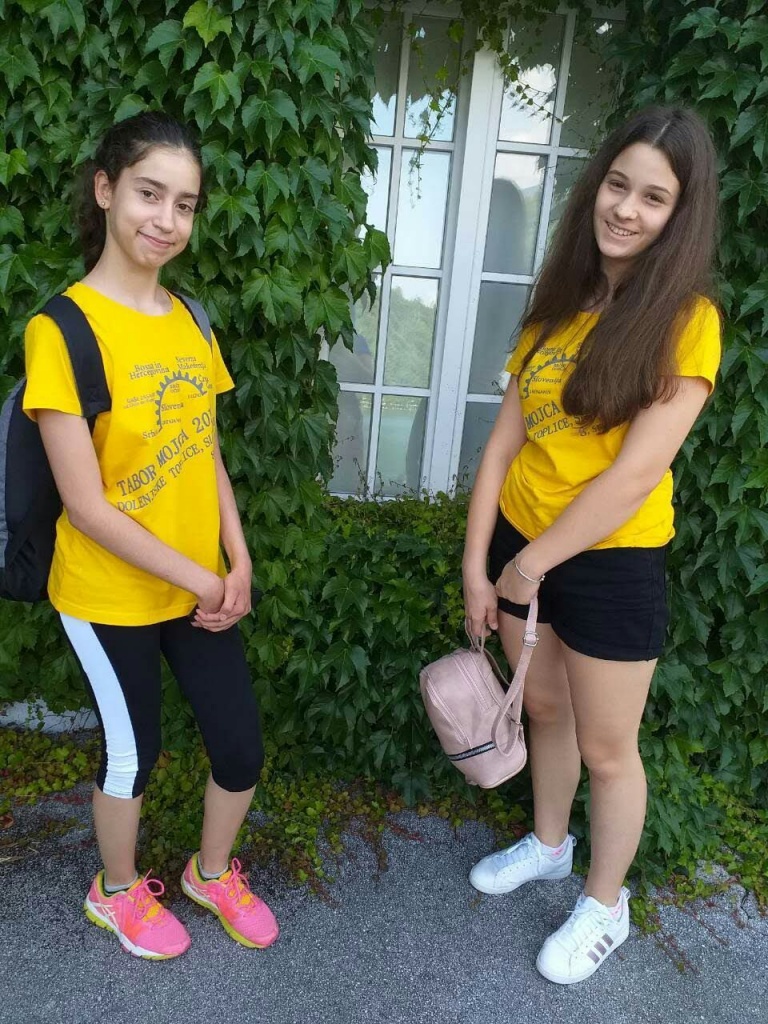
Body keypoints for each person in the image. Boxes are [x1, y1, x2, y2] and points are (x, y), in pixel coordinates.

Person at [462, 106, 720, 985]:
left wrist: (527, 566)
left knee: (610, 750)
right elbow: (504, 444)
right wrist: (479, 565)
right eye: (617, 185)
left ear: (678, 216)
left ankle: (606, 905)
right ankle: (548, 845)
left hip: (609, 563)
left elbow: (634, 476)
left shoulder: (687, 321)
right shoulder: (560, 304)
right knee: (544, 710)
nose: (626, 208)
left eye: (653, 197)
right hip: (519, 546)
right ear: (595, 188)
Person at [23, 112, 278, 959]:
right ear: (105, 191)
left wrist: (236, 557)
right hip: (106, 592)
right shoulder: (61, 330)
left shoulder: (191, 320)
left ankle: (211, 872)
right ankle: (116, 889)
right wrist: (205, 578)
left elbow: (204, 449)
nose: (167, 219)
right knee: (134, 753)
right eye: (148, 193)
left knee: (239, 746)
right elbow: (87, 507)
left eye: (185, 203)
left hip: (196, 584)